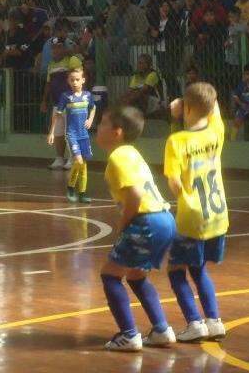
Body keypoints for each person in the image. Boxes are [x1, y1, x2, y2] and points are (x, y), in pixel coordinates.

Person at [97, 106, 176, 351]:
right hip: (164, 219)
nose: (97, 128)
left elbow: (135, 193)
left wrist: (124, 224)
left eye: (102, 124)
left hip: (147, 220)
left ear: (117, 132)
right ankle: (161, 330)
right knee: (135, 276)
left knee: (110, 275)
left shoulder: (119, 156)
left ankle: (129, 335)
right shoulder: (132, 152)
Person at [165, 83, 228, 342]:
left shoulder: (177, 141)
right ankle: (214, 321)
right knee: (199, 269)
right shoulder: (216, 132)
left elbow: (174, 182)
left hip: (191, 217)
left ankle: (194, 322)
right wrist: (191, 103)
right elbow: (215, 110)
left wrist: (177, 111)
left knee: (176, 270)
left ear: (186, 108)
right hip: (218, 217)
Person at [48, 68, 95, 203]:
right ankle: (70, 188)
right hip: (72, 134)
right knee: (79, 161)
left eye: (77, 79)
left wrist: (90, 119)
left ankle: (82, 193)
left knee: (84, 164)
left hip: (84, 135)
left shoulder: (87, 95)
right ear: (68, 81)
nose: (75, 82)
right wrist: (51, 132)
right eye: (72, 80)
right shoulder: (66, 96)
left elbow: (93, 108)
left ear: (83, 80)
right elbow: (57, 115)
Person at [41, 38, 83, 170]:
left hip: (71, 103)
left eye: (59, 47)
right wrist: (44, 100)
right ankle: (59, 158)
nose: (55, 50)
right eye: (53, 48)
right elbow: (48, 84)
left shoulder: (72, 61)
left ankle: (72, 158)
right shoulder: (51, 64)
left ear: (64, 48)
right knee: (58, 133)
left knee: (71, 132)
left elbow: (79, 78)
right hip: (57, 104)